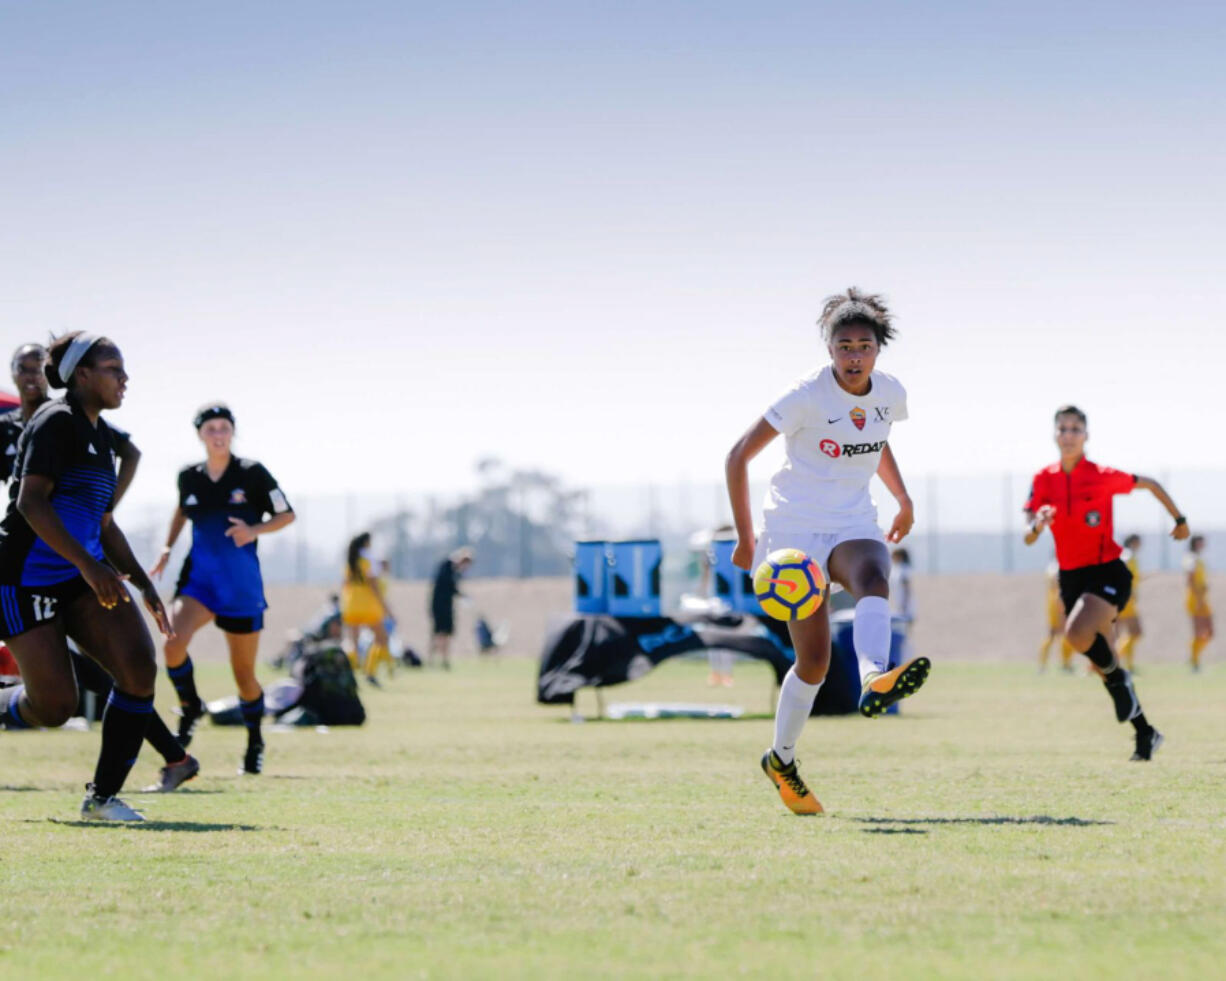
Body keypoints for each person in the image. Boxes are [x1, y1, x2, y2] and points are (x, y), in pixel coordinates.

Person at [725, 288, 930, 816]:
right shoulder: (805, 396)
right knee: (813, 663)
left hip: (850, 519)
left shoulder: (890, 393)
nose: (854, 355)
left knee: (872, 570)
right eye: (844, 346)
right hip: (793, 530)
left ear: (879, 349)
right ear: (830, 349)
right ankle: (781, 759)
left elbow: (876, 442)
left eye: (864, 345)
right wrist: (747, 540)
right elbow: (736, 458)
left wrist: (903, 498)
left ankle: (873, 679)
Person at [0, 342, 198, 793]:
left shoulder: (102, 434)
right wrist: (90, 566)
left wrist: (146, 586)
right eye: (113, 369)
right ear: (82, 376)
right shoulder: (56, 422)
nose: (124, 378)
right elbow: (30, 502)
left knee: (136, 668)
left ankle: (104, 797)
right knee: (55, 707)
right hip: (23, 579)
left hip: (79, 575)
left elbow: (104, 521)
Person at [1023, 405, 1188, 761]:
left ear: (1086, 435)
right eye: (1062, 429)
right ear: (1055, 434)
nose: (1068, 435)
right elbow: (1028, 535)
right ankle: (1146, 734)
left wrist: (1179, 519)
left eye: (1075, 429)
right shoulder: (1043, 479)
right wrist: (1040, 522)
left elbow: (1151, 484)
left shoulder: (1100, 475)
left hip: (1107, 570)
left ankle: (1121, 681)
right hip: (1071, 577)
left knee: (1075, 633)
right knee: (1105, 666)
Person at [150, 403, 295, 775]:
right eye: (211, 428)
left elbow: (286, 514)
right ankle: (191, 706)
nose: (218, 434)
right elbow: (182, 510)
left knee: (243, 676)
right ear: (200, 434)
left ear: (232, 433)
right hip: (199, 581)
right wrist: (167, 546)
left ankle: (254, 743)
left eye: (224, 428)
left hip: (240, 587)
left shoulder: (252, 473)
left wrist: (254, 531)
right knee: (171, 644)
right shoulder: (189, 476)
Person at [340, 532, 394, 685]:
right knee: (381, 638)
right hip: (368, 606)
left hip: (351, 606)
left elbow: (345, 585)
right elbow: (374, 586)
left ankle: (350, 674)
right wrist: (386, 608)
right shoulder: (369, 560)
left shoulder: (350, 562)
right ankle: (369, 672)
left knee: (353, 642)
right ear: (366, 543)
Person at [429, 547, 473, 670]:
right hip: (439, 606)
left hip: (448, 606)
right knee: (439, 633)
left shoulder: (455, 571)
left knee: (446, 634)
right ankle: (433, 660)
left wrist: (462, 596)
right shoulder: (447, 566)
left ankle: (444, 660)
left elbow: (452, 588)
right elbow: (446, 586)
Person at [1038, 560, 1075, 673]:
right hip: (1060, 600)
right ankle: (1065, 664)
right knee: (1065, 632)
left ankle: (1043, 664)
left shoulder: (1051, 567)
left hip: (1052, 601)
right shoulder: (1060, 566)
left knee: (1054, 633)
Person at [1184, 536, 1213, 671]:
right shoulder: (1191, 558)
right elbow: (1190, 579)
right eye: (1201, 541)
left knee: (1209, 632)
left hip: (1203, 598)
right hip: (1195, 599)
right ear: (1195, 543)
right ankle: (1194, 662)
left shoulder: (1199, 558)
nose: (1203, 544)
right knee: (1198, 631)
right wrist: (1198, 597)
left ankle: (1193, 657)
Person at [1116, 534, 1143, 672]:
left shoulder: (1130, 556)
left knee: (1128, 633)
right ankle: (1115, 661)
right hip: (1126, 599)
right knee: (1135, 631)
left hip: (1128, 598)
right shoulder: (1127, 556)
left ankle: (1128, 664)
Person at [889, 547, 916, 665]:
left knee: (904, 636)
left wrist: (903, 607)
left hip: (904, 610)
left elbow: (907, 590)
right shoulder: (897, 570)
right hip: (899, 609)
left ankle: (906, 660)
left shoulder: (903, 571)